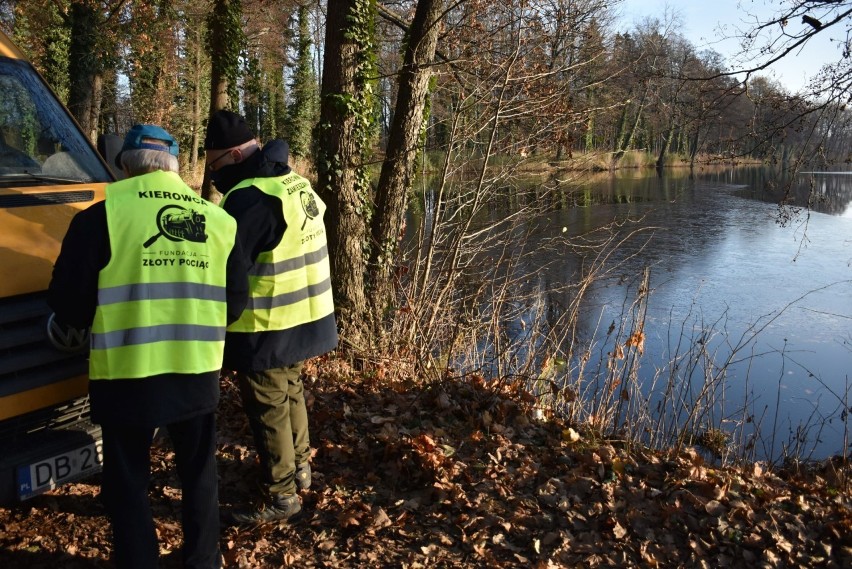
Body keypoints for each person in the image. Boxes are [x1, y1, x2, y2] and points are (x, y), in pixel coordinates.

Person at [47, 124, 249, 569]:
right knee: (199, 473)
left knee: (128, 480)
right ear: (176, 166)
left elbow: (69, 304)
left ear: (125, 165)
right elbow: (235, 303)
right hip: (196, 369)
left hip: (127, 373)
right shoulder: (219, 221)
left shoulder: (99, 217)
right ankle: (203, 560)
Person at [204, 110, 338, 524]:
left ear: (230, 156)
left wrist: (216, 319)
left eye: (212, 167)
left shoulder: (248, 198)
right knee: (290, 390)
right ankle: (300, 469)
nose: (212, 177)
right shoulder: (291, 180)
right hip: (309, 314)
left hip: (268, 323)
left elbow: (229, 270)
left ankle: (282, 496)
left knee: (268, 405)